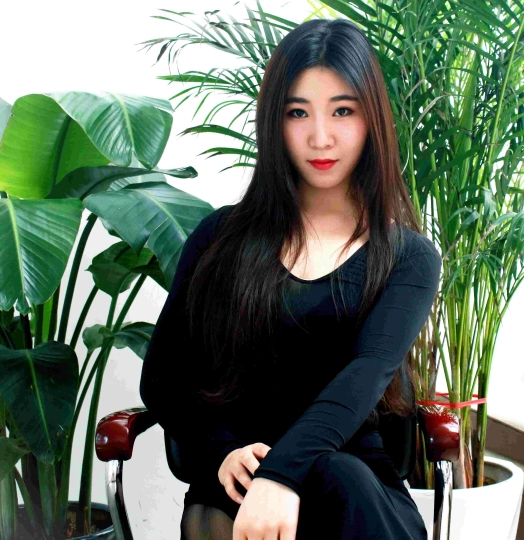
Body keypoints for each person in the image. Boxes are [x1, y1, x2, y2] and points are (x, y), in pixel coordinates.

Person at [140, 18, 441, 540]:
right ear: (274, 122)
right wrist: (223, 452)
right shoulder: (219, 238)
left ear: (372, 119)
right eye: (297, 112)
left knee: (340, 476)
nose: (320, 137)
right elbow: (164, 377)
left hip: (356, 482)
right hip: (240, 474)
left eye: (342, 111)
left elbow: (365, 374)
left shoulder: (408, 257)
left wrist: (283, 474)